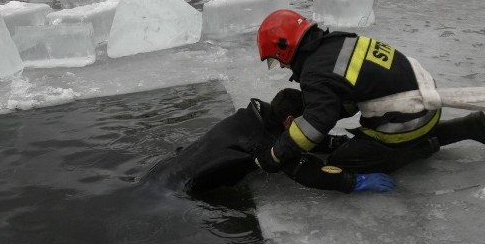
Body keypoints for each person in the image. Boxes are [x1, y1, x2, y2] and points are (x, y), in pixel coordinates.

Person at [253, 9, 485, 176]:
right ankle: (468, 126)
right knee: (399, 128)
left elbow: (317, 125)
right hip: (425, 101)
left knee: (343, 161)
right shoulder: (337, 42)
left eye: (277, 60)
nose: (283, 66)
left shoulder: (315, 72)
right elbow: (351, 95)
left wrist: (275, 154)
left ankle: (421, 149)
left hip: (410, 116)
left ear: (284, 48)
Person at [144, 88, 395, 196]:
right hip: (176, 192)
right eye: (305, 122)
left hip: (166, 169)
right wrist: (353, 181)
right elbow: (304, 170)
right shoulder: (265, 142)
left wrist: (333, 143)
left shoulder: (255, 116)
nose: (309, 128)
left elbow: (299, 137)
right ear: (288, 120)